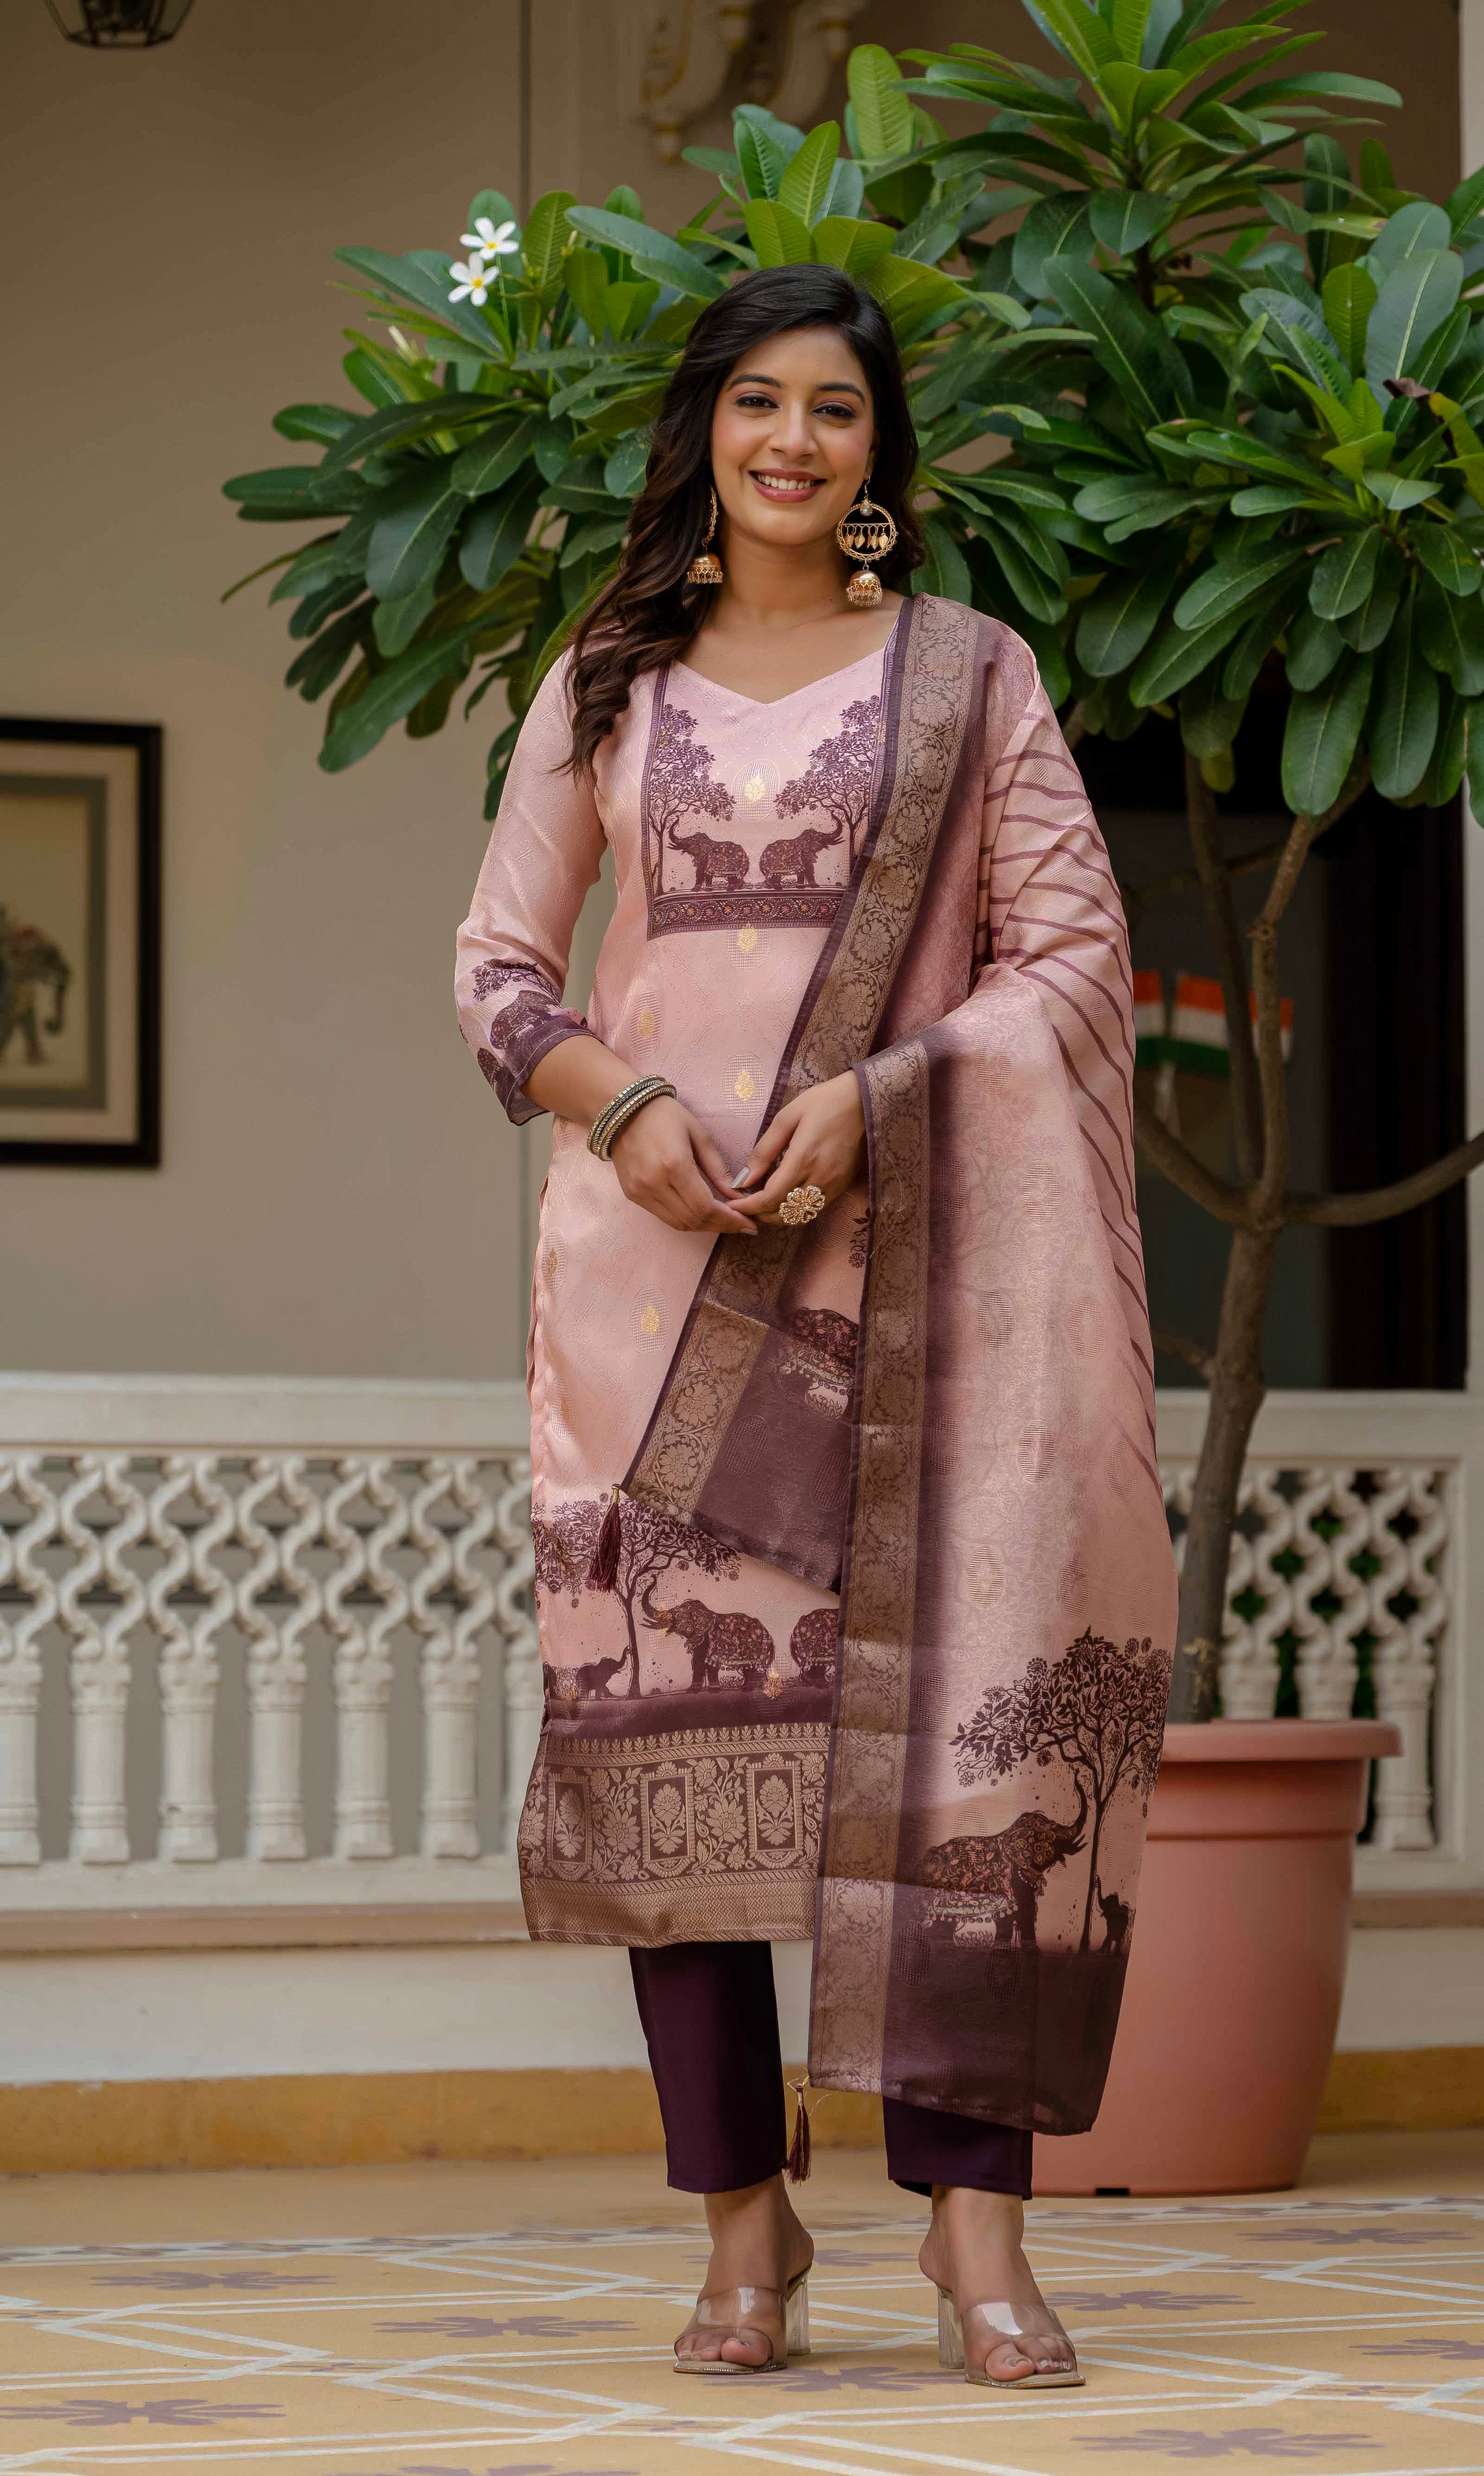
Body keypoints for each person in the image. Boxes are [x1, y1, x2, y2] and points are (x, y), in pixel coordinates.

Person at [456, 263, 1175, 2389]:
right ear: (704, 431)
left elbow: (1070, 953)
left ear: (879, 451)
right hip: (663, 1281)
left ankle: (974, 2231)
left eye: (835, 412)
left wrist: (877, 1100)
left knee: (963, 1760)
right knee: (682, 1771)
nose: (794, 443)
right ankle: (739, 2219)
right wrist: (636, 1108)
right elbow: (502, 972)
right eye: (756, 404)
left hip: (932, 1294)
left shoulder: (970, 676)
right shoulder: (609, 682)